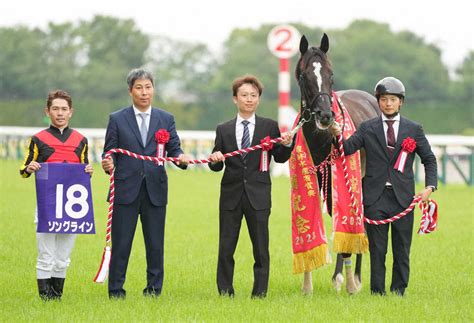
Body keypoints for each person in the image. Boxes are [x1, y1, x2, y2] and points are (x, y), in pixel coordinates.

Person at [330, 77, 437, 296]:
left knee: (401, 249)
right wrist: (336, 134)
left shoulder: (414, 129)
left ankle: (399, 290)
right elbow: (347, 148)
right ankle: (377, 292)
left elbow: (429, 159)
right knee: (377, 249)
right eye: (384, 99)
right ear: (378, 102)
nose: (388, 104)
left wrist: (430, 187)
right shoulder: (367, 128)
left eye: (393, 100)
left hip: (403, 198)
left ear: (401, 102)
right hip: (374, 197)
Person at [101, 68, 190, 299]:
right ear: (130, 91)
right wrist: (107, 162)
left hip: (155, 190)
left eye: (148, 87)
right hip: (124, 190)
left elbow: (175, 149)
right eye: (139, 88)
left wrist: (181, 158)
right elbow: (109, 152)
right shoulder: (117, 119)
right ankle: (116, 291)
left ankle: (153, 290)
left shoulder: (166, 119)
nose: (144, 92)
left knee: (155, 244)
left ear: (153, 89)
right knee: (121, 245)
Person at [208, 75, 294, 298]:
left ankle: (260, 292)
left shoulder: (269, 126)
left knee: (260, 248)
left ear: (259, 99)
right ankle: (225, 291)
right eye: (244, 95)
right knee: (226, 247)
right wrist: (214, 159)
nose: (249, 99)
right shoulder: (223, 129)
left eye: (253, 96)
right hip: (230, 197)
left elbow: (281, 158)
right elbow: (217, 166)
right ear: (235, 99)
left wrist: (287, 145)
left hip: (258, 196)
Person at [20, 90, 93, 301]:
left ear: (71, 112)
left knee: (62, 257)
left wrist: (88, 171)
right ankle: (45, 299)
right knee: (45, 255)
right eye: (55, 109)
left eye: (64, 109)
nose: (59, 113)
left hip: (72, 206)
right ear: (47, 111)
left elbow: (83, 169)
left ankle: (56, 297)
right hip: (47, 204)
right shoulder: (38, 139)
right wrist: (30, 167)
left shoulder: (81, 140)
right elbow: (24, 169)